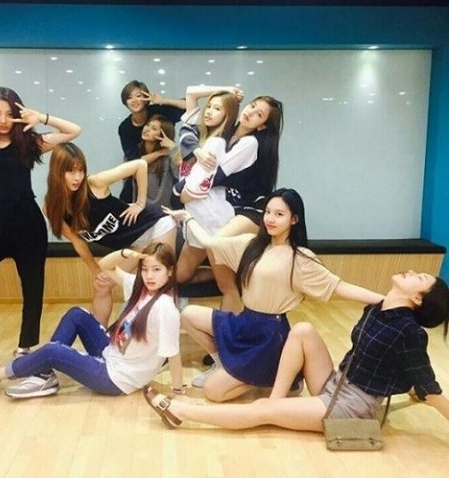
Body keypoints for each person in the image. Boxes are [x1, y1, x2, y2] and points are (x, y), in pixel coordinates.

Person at [143, 270, 449, 433]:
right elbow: (393, 364)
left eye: (419, 278)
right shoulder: (378, 309)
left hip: (351, 407)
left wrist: (420, 391)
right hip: (336, 383)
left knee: (263, 412)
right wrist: (410, 389)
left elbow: (429, 387)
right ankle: (278, 399)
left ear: (418, 299)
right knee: (302, 330)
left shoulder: (410, 332)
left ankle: (182, 412)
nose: (412, 271)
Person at [163, 188, 384, 399]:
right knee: (188, 315)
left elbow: (340, 287)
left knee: (213, 392)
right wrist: (187, 218)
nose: (270, 219)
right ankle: (225, 365)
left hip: (270, 334)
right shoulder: (250, 245)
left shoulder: (300, 258)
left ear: (294, 219)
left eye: (279, 214)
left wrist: (386, 300)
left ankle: (272, 376)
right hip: (244, 321)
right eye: (268, 212)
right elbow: (208, 242)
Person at [0, 242, 184, 399]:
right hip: (110, 354)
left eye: (157, 270)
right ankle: (44, 375)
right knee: (76, 315)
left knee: (53, 352)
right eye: (145, 269)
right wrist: (126, 253)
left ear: (170, 271)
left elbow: (173, 354)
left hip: (116, 378)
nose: (149, 276)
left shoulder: (165, 308)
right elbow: (105, 265)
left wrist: (178, 393)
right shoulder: (140, 288)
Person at [0, 86, 81, 356]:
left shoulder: (28, 144)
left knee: (32, 289)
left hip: (27, 226)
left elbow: (73, 131)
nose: (3, 120)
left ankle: (25, 348)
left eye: (9, 114)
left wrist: (41, 117)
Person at [175, 90, 284, 312]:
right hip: (221, 208)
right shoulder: (224, 131)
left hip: (248, 211)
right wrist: (196, 150)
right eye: (252, 106)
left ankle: (228, 319)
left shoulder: (250, 143)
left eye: (259, 114)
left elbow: (213, 177)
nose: (250, 113)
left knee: (215, 244)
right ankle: (237, 278)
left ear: (262, 125)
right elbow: (189, 114)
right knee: (180, 276)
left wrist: (178, 192)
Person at [44, 142, 177, 324]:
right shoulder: (52, 207)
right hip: (134, 245)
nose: (77, 177)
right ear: (57, 171)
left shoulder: (95, 183)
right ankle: (98, 336)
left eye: (81, 170)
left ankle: (164, 330)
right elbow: (78, 241)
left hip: (155, 226)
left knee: (156, 280)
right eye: (71, 171)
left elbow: (140, 165)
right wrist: (95, 270)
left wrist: (140, 203)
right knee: (101, 284)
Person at [172, 86, 241, 285]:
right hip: (195, 213)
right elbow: (191, 92)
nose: (209, 111)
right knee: (180, 276)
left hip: (210, 215)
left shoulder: (216, 143)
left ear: (228, 115)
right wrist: (227, 89)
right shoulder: (198, 135)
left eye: (217, 109)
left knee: (225, 283)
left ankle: (236, 279)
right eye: (209, 106)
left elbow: (196, 187)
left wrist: (177, 197)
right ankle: (236, 275)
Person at [118, 80, 186, 203]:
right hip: (140, 167)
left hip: (163, 166)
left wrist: (163, 101)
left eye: (138, 96)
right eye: (129, 97)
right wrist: (160, 153)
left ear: (146, 98)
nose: (134, 100)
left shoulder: (158, 111)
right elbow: (134, 161)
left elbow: (189, 106)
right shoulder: (125, 128)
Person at [125, 114, 179, 209]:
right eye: (147, 125)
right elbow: (128, 172)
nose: (147, 129)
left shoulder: (168, 157)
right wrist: (159, 153)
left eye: (154, 129)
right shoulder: (134, 151)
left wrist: (174, 148)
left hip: (162, 210)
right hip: (137, 209)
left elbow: (180, 175)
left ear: (163, 135)